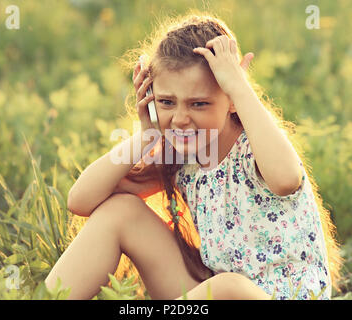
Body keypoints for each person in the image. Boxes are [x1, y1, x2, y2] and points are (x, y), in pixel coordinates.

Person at [45, 10, 342, 300]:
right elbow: (81, 200)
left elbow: (287, 179)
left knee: (229, 287)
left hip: (277, 295)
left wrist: (240, 86)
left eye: (198, 104)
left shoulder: (257, 147)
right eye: (166, 102)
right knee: (120, 210)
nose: (180, 119)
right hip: (209, 294)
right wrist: (148, 134)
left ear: (231, 100)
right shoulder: (183, 162)